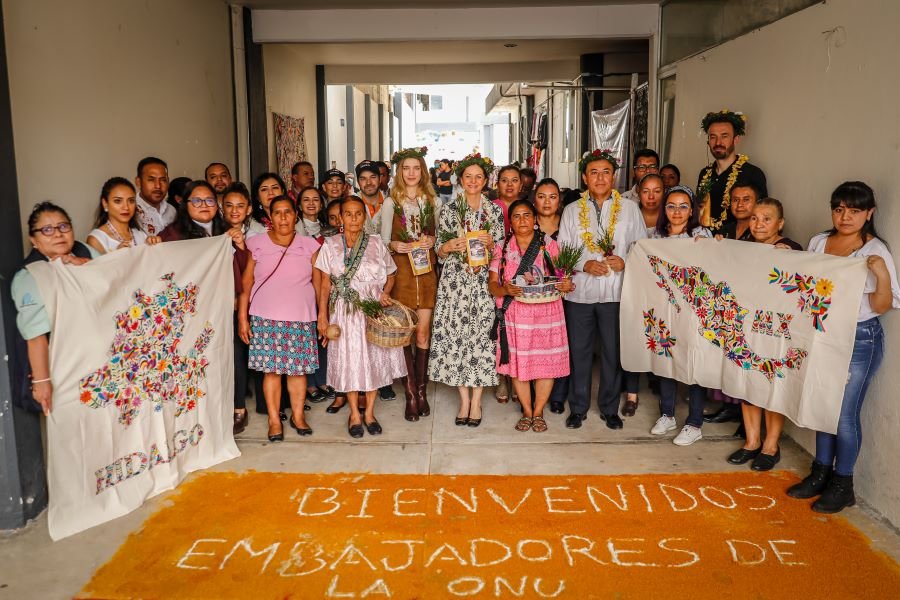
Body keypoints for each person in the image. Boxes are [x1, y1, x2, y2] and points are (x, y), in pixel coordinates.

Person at [787, 182, 900, 513]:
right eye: (839, 209)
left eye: (854, 210)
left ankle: (843, 483)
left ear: (869, 213)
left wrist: (880, 277)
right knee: (823, 407)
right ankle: (820, 472)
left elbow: (881, 305)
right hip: (823, 335)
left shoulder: (875, 251)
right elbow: (806, 285)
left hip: (858, 338)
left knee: (844, 416)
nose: (845, 217)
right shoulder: (820, 242)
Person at [558, 149, 647, 431]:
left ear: (614, 176)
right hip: (580, 293)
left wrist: (625, 260)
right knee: (579, 352)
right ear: (584, 177)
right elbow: (562, 249)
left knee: (612, 352)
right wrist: (584, 264)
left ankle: (610, 408)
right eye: (594, 172)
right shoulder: (572, 210)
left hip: (616, 293)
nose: (600, 177)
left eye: (605, 172)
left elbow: (641, 248)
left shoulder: (630, 209)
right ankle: (579, 408)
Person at [315, 196, 406, 438]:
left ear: (364, 217)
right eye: (348, 214)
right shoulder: (330, 245)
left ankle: (370, 413)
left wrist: (385, 293)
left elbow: (392, 274)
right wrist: (322, 317)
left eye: (358, 214)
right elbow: (325, 284)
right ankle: (354, 413)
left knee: (374, 360)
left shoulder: (375, 243)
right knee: (350, 362)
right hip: (344, 313)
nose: (354, 218)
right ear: (341, 218)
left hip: (371, 311)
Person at [725, 197, 801, 468]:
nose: (758, 224)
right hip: (745, 327)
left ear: (780, 223)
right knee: (747, 384)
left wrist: (788, 259)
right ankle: (752, 441)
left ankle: (771, 445)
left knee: (771, 385)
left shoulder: (791, 249)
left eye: (766, 219)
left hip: (774, 331)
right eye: (755, 218)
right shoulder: (743, 247)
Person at [430, 153, 504, 426]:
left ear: (485, 181)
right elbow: (439, 249)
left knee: (481, 338)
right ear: (460, 180)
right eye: (468, 177)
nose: (473, 181)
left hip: (483, 282)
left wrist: (490, 244)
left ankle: (477, 402)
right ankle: (463, 400)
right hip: (456, 284)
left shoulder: (493, 211)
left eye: (478, 177)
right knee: (458, 337)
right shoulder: (449, 210)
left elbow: (502, 250)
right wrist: (448, 247)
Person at [239, 196, 320, 442]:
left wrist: (321, 315)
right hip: (265, 318)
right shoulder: (256, 244)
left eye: (288, 212)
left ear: (296, 215)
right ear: (270, 217)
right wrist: (243, 318)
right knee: (271, 372)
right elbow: (246, 284)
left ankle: (297, 416)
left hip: (301, 317)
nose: (283, 217)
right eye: (277, 213)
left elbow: (319, 284)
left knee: (298, 373)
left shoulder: (310, 245)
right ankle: (274, 420)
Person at [488, 200, 572, 433]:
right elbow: (493, 285)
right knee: (520, 364)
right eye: (517, 216)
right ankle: (527, 411)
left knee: (545, 364)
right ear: (510, 221)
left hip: (547, 313)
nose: (522, 220)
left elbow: (562, 278)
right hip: (516, 314)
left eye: (527, 215)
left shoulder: (549, 244)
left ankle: (539, 412)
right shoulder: (502, 247)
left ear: (535, 219)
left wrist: (565, 285)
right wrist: (505, 290)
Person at [12, 202, 98, 416]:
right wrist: (41, 382)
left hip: (98, 362)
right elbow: (35, 335)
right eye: (47, 230)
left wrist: (84, 266)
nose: (58, 234)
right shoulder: (30, 275)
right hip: (65, 368)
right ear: (34, 239)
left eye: (63, 226)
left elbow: (115, 280)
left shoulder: (84, 251)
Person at [646, 186, 711, 446]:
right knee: (666, 362)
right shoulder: (654, 236)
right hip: (664, 308)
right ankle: (667, 414)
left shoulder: (702, 235)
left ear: (692, 210)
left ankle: (694, 423)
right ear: (664, 209)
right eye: (671, 205)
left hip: (694, 311)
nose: (677, 211)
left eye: (683, 206)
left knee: (694, 365)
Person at [380, 147, 439, 420]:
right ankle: (411, 393)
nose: (411, 173)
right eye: (406, 168)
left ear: (422, 171)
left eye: (416, 168)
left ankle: (423, 391)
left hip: (425, 272)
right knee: (404, 332)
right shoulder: (391, 201)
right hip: (402, 271)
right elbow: (380, 240)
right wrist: (395, 244)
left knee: (423, 333)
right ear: (399, 172)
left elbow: (441, 237)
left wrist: (432, 241)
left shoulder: (432, 201)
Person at [703, 182, 761, 426]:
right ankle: (729, 407)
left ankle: (747, 418)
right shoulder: (724, 230)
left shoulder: (762, 232)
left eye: (746, 199)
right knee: (726, 356)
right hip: (726, 304)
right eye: (735, 199)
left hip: (752, 306)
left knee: (746, 358)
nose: (739, 204)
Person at [622, 171, 667, 416]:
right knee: (634, 339)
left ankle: (663, 394)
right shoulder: (628, 215)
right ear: (637, 192)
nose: (651, 196)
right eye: (646, 190)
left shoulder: (671, 220)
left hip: (662, 293)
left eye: (657, 191)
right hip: (634, 287)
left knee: (661, 340)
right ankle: (631, 394)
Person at [695, 110, 767, 235]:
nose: (718, 143)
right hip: (705, 241)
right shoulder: (704, 174)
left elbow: (763, 215)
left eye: (724, 136)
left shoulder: (752, 173)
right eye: (713, 137)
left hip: (737, 244)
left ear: (736, 139)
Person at [533, 178, 570, 416]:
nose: (547, 202)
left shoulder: (568, 224)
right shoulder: (526, 222)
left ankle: (558, 396)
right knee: (536, 345)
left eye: (553, 196)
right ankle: (534, 393)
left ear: (560, 200)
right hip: (533, 298)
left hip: (562, 295)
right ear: (534, 199)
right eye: (542, 196)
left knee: (562, 346)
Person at [222, 182, 253, 435]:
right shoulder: (214, 233)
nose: (234, 211)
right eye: (229, 206)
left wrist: (242, 246)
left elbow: (251, 272)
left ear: (249, 209)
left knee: (238, 355)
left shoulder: (255, 234)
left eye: (240, 206)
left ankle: (239, 407)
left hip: (245, 302)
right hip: (217, 305)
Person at [86, 177, 157, 254]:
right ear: (105, 204)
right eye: (118, 201)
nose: (126, 207)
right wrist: (117, 255)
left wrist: (155, 245)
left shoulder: (140, 235)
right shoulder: (96, 239)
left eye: (131, 201)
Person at [159, 181, 229, 242]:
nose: (204, 205)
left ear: (216, 205)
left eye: (209, 200)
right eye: (197, 201)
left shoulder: (227, 230)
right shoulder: (172, 235)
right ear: (186, 206)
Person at [246, 172, 303, 238]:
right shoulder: (252, 223)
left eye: (275, 188)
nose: (270, 193)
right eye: (264, 189)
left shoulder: (295, 219)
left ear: (283, 191)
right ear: (258, 197)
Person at [134, 156, 175, 235]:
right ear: (138, 182)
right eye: (151, 180)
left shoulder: (172, 211)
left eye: (163, 180)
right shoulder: (130, 211)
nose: (158, 186)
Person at [356, 160, 386, 235]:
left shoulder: (391, 203)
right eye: (363, 178)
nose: (368, 182)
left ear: (379, 179)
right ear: (358, 182)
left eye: (373, 177)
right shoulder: (351, 204)